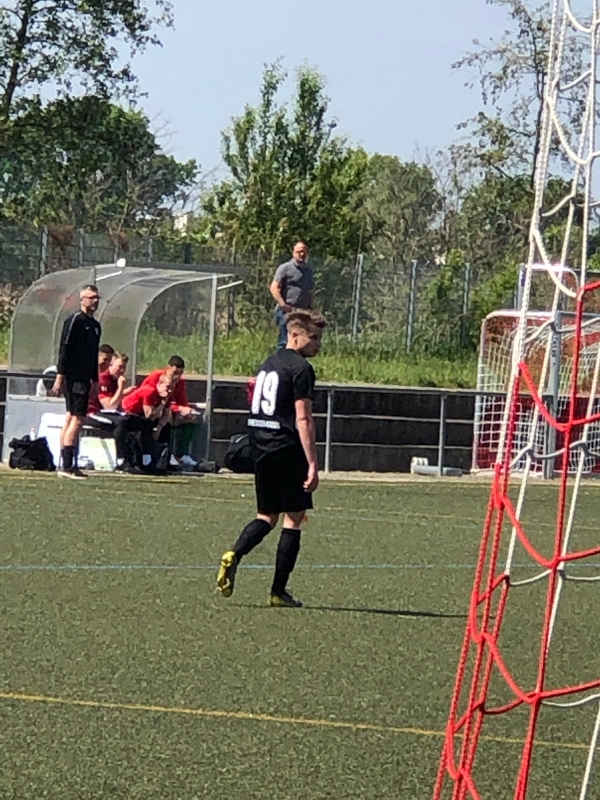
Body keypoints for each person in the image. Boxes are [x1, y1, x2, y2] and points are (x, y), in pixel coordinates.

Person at [217, 308, 326, 608]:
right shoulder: (302, 369)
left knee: (266, 515)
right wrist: (313, 463)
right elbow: (303, 418)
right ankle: (278, 591)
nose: (318, 344)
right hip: (287, 446)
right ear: (295, 335)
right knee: (294, 517)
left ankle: (235, 553)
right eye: (314, 338)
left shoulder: (269, 363)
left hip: (261, 445)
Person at [51, 285, 102, 479]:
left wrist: (95, 380)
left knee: (71, 417)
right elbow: (64, 350)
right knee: (77, 419)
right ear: (82, 299)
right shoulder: (74, 321)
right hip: (74, 378)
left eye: (96, 298)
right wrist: (60, 376)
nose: (94, 301)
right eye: (90, 297)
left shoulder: (95, 326)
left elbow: (93, 356)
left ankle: (66, 463)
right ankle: (67, 465)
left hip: (85, 378)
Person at [86, 352, 141, 472]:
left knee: (135, 420)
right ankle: (121, 459)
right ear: (111, 365)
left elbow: (114, 403)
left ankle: (138, 459)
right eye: (119, 366)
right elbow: (109, 406)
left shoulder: (114, 380)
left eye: (124, 367)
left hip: (105, 413)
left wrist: (124, 392)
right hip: (93, 413)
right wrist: (121, 388)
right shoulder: (103, 379)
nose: (122, 370)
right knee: (120, 422)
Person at [121, 372, 174, 469]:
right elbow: (149, 415)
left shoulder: (167, 395)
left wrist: (159, 427)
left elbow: (166, 415)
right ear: (159, 384)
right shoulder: (149, 391)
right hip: (129, 413)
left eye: (171, 387)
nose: (169, 390)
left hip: (143, 416)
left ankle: (161, 460)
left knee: (166, 428)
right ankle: (140, 461)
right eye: (167, 387)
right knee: (142, 428)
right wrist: (162, 403)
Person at [270, 242, 315, 350]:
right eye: (299, 252)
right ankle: (281, 359)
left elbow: (310, 290)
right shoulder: (285, 268)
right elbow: (274, 287)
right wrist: (283, 305)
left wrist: (310, 308)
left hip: (302, 311)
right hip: (287, 311)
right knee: (284, 341)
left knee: (300, 341)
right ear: (293, 253)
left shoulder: (308, 271)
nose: (302, 254)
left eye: (304, 252)